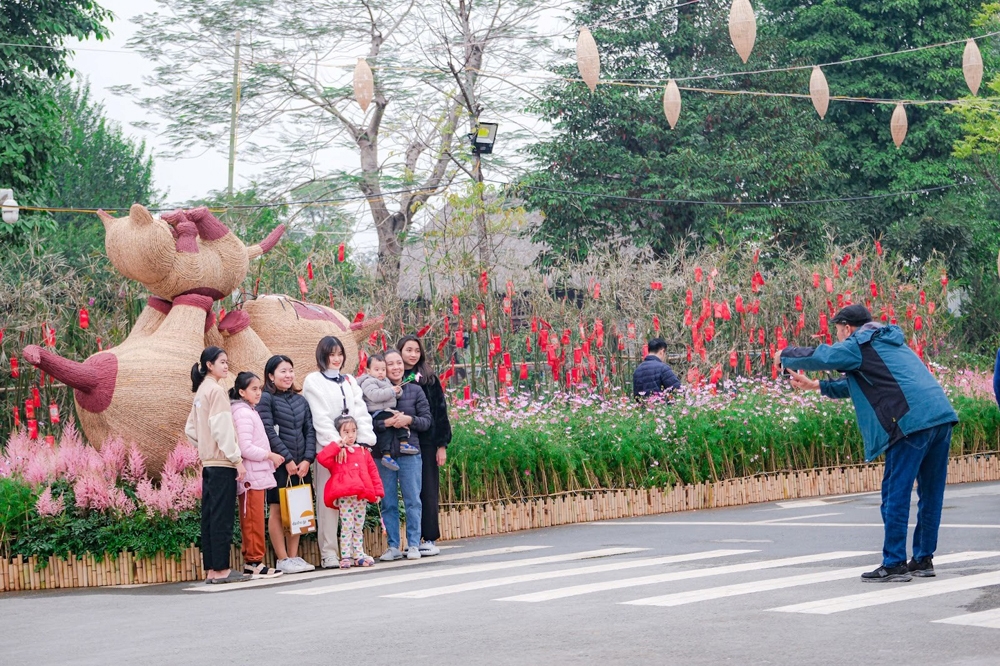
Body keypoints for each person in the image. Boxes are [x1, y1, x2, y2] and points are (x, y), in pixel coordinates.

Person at [777, 304, 958, 582]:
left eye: (838, 332)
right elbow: (860, 383)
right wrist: (817, 386)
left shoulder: (859, 342)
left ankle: (895, 563)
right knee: (930, 494)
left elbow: (824, 355)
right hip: (940, 416)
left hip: (911, 422)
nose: (839, 338)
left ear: (847, 328)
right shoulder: (887, 341)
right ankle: (923, 559)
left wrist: (785, 355)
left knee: (894, 494)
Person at [302, 336, 376, 569]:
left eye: (339, 354)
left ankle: (354, 551)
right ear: (322, 356)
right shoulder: (313, 381)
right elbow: (320, 417)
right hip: (330, 452)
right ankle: (329, 552)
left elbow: (361, 412)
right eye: (331, 354)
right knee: (329, 502)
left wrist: (362, 442)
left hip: (353, 452)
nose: (336, 359)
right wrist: (338, 444)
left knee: (354, 503)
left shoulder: (349, 380)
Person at [185, 346, 251, 584]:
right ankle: (222, 569)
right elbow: (222, 429)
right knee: (222, 517)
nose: (226, 365)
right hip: (223, 462)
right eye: (222, 362)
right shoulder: (217, 391)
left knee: (210, 516)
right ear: (209, 365)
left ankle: (212, 568)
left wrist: (205, 445)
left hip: (208, 462)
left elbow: (190, 429)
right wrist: (236, 459)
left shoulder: (202, 391)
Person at [257, 354, 317, 574]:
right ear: (271, 376)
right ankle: (282, 559)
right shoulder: (266, 399)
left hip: (302, 465)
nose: (288, 375)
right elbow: (268, 431)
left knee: (299, 508)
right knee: (277, 509)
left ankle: (294, 556)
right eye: (283, 371)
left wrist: (307, 459)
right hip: (279, 465)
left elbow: (310, 431)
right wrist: (288, 459)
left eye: (290, 370)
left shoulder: (301, 401)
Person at [398, 334, 452, 557]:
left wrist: (442, 445)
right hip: (402, 441)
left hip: (428, 442)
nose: (413, 354)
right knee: (408, 493)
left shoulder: (428, 377)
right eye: (408, 350)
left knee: (428, 490)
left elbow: (440, 411)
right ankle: (410, 539)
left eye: (416, 350)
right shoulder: (394, 375)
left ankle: (428, 537)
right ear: (399, 351)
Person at [229, 371, 286, 579]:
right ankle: (253, 562)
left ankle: (255, 561)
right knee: (252, 520)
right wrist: (269, 455)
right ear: (242, 391)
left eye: (259, 388)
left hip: (256, 474)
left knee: (255, 519)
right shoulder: (243, 413)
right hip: (251, 476)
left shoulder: (248, 410)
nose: (258, 392)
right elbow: (245, 448)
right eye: (253, 389)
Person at [378, 348, 432, 561]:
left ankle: (413, 544)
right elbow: (365, 422)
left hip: (410, 452)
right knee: (388, 502)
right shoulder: (374, 390)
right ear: (383, 367)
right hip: (383, 454)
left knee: (412, 500)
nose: (396, 367)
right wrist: (386, 423)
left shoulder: (415, 390)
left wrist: (409, 420)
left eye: (399, 363)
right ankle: (392, 545)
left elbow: (427, 420)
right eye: (390, 364)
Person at [316, 415, 385, 568]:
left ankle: (358, 554)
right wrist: (336, 446)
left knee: (358, 526)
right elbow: (321, 458)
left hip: (361, 495)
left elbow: (373, 471)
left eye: (353, 431)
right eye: (346, 431)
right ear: (338, 433)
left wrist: (378, 492)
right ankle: (346, 555)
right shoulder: (338, 453)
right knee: (347, 526)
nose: (351, 435)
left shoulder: (363, 451)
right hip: (346, 495)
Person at [357, 354, 413, 472]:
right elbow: (375, 395)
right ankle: (386, 454)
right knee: (385, 433)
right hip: (377, 411)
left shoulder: (385, 380)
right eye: (376, 370)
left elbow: (392, 394)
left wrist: (397, 392)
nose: (381, 372)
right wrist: (391, 391)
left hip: (388, 409)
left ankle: (404, 442)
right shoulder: (368, 382)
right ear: (368, 370)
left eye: (383, 369)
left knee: (399, 419)